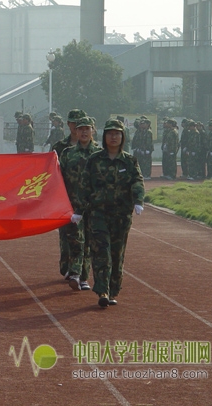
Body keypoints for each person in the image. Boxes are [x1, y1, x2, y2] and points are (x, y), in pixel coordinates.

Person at [75, 119, 145, 308]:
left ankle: (113, 290)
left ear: (122, 137)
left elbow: (137, 181)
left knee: (117, 253)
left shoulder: (129, 161)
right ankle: (102, 290)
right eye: (110, 133)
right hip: (98, 214)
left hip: (121, 215)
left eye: (117, 133)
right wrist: (79, 210)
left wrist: (138, 200)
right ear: (104, 136)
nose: (113, 137)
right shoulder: (95, 160)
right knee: (101, 252)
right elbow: (84, 186)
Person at [59, 116, 100, 292]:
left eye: (87, 129)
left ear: (93, 131)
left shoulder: (99, 153)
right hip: (72, 205)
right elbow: (58, 179)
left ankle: (83, 277)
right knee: (75, 240)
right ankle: (75, 273)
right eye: (80, 129)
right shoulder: (68, 154)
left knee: (89, 241)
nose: (83, 132)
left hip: (93, 206)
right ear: (75, 131)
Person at [52, 109, 86, 279]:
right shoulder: (59, 147)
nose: (76, 126)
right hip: (64, 198)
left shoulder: (93, 149)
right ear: (68, 124)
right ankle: (67, 266)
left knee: (84, 236)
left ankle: (79, 272)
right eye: (73, 123)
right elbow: (50, 172)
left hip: (86, 199)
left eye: (80, 123)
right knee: (66, 236)